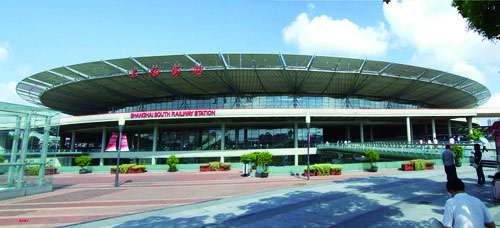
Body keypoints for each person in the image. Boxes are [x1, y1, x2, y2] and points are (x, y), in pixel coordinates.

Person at [429, 178, 495, 228]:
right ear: (464, 188)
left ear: (451, 191)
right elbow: (492, 225)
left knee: (432, 221)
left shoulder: (450, 202)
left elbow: (447, 226)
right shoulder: (478, 201)